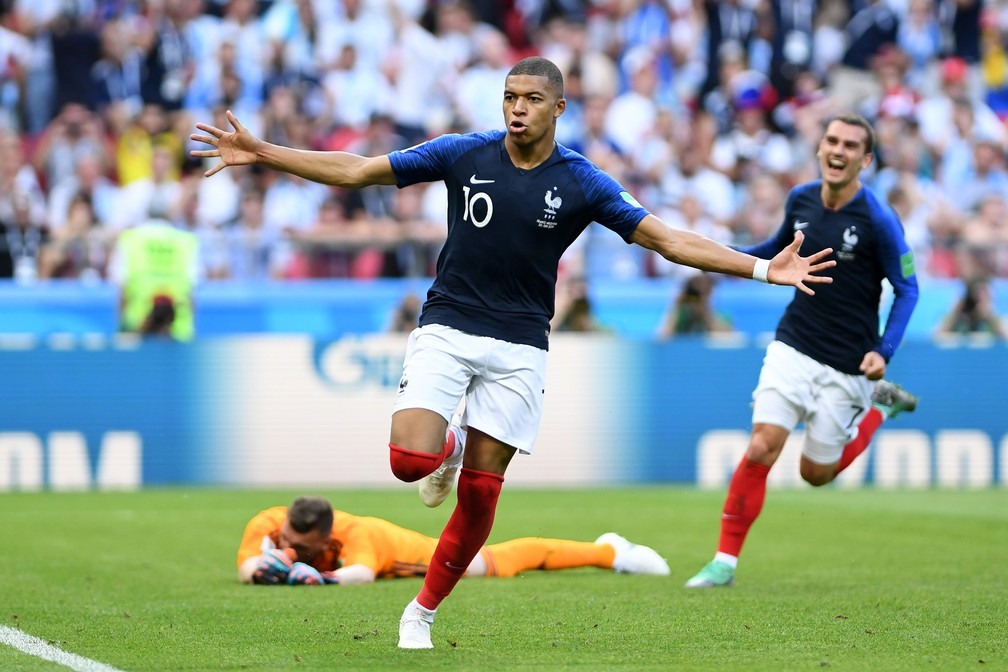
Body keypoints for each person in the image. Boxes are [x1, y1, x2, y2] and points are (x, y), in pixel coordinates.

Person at [190, 56, 836, 649]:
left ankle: (421, 613)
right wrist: (264, 152)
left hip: (521, 345)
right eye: (508, 97)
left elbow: (666, 240)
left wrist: (759, 270)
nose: (516, 108)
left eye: (530, 98)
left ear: (558, 109)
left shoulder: (581, 182)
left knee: (480, 501)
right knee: (409, 460)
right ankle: (447, 448)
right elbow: (359, 170)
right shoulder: (463, 154)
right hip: (448, 324)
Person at [684, 114, 921, 590]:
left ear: (865, 160)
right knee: (761, 447)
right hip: (794, 344)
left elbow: (908, 287)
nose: (839, 149)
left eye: (851, 145)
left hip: (849, 362)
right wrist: (716, 253)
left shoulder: (878, 218)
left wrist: (885, 351)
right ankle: (724, 563)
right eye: (832, 140)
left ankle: (877, 407)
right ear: (819, 148)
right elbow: (775, 252)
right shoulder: (801, 199)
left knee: (816, 474)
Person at [237, 495, 671, 587]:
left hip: (424, 556)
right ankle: (608, 549)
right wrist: (262, 570)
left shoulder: (360, 534)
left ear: (327, 535)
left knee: (507, 560)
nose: (292, 544)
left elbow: (362, 573)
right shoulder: (270, 522)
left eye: (303, 543)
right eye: (290, 539)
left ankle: (610, 552)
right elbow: (246, 565)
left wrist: (314, 579)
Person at [936, 276, 1005, 338]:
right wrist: (955, 312)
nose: (980, 298)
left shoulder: (996, 318)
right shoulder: (958, 317)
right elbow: (936, 336)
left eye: (985, 294)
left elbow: (1004, 338)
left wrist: (990, 317)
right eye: (977, 294)